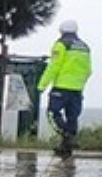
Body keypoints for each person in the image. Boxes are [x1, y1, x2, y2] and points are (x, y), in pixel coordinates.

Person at [37, 20, 91, 158]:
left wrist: (42, 85)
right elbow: (88, 70)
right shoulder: (85, 47)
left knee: (52, 113)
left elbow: (54, 66)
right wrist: (80, 84)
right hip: (77, 89)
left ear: (61, 31)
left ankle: (67, 134)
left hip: (61, 87)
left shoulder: (61, 45)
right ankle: (67, 146)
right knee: (72, 116)